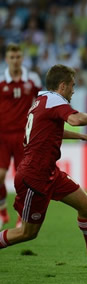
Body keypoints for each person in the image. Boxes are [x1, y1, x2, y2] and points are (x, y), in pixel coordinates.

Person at [0, 64, 87, 267]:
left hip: (49, 172)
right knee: (27, 233)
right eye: (72, 86)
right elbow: (75, 120)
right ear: (62, 85)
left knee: (86, 205)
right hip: (34, 176)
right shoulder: (55, 100)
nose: (74, 90)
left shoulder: (42, 101)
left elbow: (52, 130)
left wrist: (83, 137)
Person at [0, 43, 42, 229]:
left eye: (18, 57)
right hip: (2, 135)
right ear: (6, 59)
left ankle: (20, 215)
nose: (15, 60)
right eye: (12, 57)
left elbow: (41, 103)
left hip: (23, 136)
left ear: (22, 58)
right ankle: (2, 213)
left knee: (22, 178)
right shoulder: (1, 80)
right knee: (0, 176)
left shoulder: (32, 79)